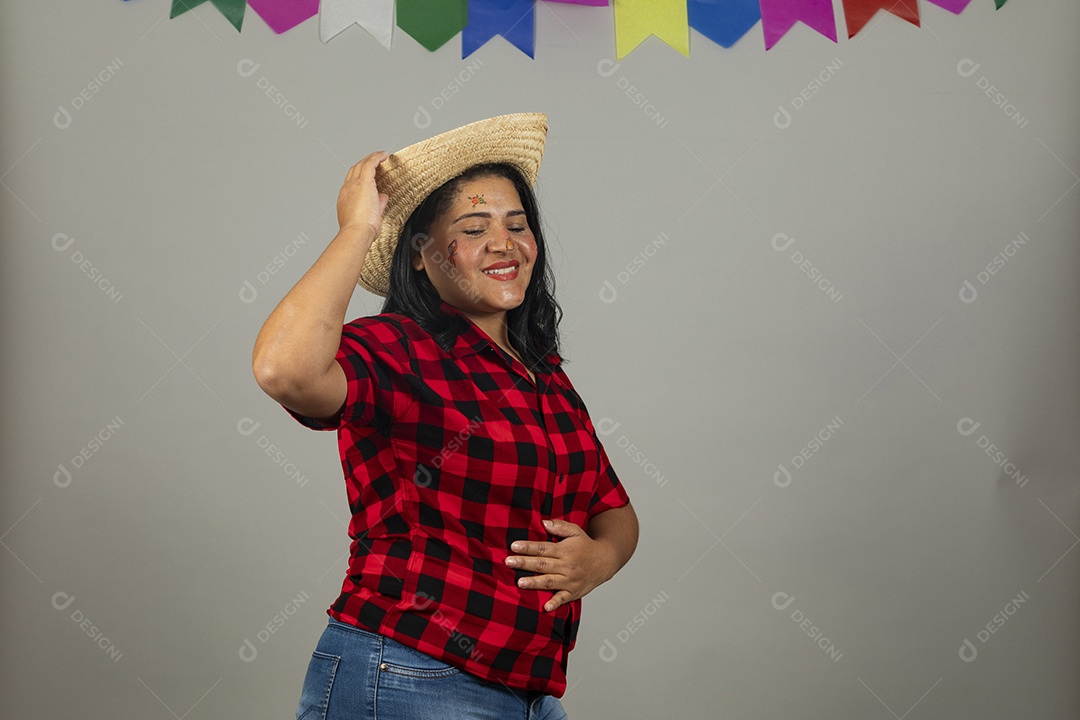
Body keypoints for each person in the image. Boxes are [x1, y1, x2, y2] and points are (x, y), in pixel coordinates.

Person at [252, 113, 638, 720]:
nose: (503, 243)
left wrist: (602, 558)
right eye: (474, 228)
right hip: (408, 673)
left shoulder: (545, 376)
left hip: (528, 695)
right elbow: (284, 369)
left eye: (517, 225)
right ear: (420, 256)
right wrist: (358, 228)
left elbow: (612, 508)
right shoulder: (398, 349)